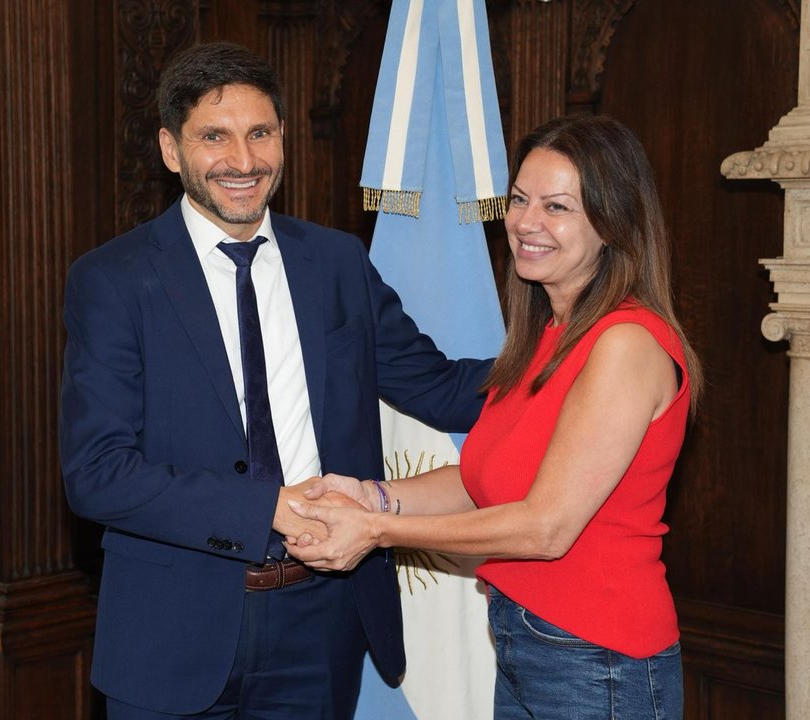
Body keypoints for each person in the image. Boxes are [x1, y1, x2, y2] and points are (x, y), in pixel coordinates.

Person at [58, 41, 492, 720]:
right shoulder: (114, 280)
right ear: (171, 149)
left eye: (260, 133)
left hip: (320, 625)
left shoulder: (336, 263)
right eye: (214, 137)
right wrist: (266, 508)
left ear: (283, 137)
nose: (243, 161)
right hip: (170, 634)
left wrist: (576, 357)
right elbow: (97, 473)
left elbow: (439, 388)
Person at [286, 114, 702, 720]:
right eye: (520, 199)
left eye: (557, 207)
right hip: (527, 643)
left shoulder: (625, 344)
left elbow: (544, 528)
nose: (527, 223)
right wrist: (374, 496)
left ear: (612, 225)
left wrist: (376, 531)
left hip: (598, 659)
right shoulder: (547, 335)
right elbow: (484, 478)